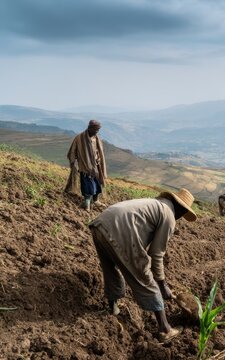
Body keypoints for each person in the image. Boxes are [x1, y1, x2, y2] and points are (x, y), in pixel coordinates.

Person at [89, 188, 197, 343]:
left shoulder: (155, 204)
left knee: (110, 268)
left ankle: (112, 308)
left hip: (100, 224)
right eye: (183, 213)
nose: (180, 217)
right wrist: (162, 284)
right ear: (180, 208)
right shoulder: (168, 215)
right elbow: (156, 254)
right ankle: (165, 329)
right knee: (145, 278)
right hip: (120, 231)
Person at [65, 120, 107, 210]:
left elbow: (98, 152)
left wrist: (98, 160)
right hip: (85, 166)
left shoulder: (97, 138)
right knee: (88, 185)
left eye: (98, 130)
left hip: (96, 166)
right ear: (89, 128)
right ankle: (86, 202)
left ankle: (96, 201)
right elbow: (72, 151)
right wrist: (74, 163)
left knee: (97, 184)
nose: (96, 132)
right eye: (95, 130)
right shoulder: (79, 138)